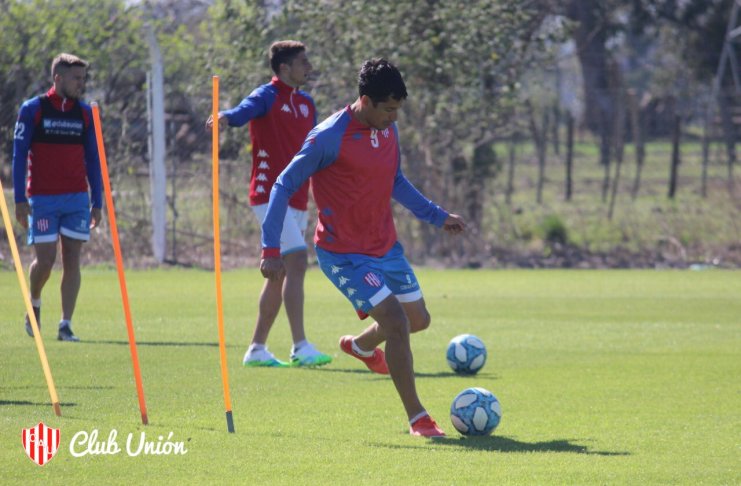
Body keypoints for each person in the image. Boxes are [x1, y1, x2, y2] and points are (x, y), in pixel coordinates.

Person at [260, 59, 466, 437]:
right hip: (343, 255)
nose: (394, 117)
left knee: (419, 320)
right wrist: (270, 249)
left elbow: (396, 180)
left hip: (385, 246)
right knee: (397, 322)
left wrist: (437, 216)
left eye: (398, 109)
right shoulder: (327, 137)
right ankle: (419, 418)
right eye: (388, 109)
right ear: (366, 101)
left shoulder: (388, 129)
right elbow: (283, 185)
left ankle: (361, 346)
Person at [206, 40, 331, 368]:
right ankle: (300, 346)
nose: (309, 67)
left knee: (278, 273)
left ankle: (257, 349)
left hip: (298, 196)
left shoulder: (306, 102)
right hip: (268, 194)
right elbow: (242, 112)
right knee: (297, 261)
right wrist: (224, 117)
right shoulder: (267, 95)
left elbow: (317, 147)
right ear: (284, 68)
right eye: (303, 62)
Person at [12, 53, 103, 342]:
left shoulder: (85, 113)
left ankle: (65, 324)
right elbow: (19, 155)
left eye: (83, 79)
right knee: (46, 260)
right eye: (76, 79)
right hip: (42, 198)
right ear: (58, 78)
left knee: (72, 258)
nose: (81, 84)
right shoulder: (33, 109)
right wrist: (19, 199)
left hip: (76, 198)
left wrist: (97, 200)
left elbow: (93, 159)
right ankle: (34, 301)